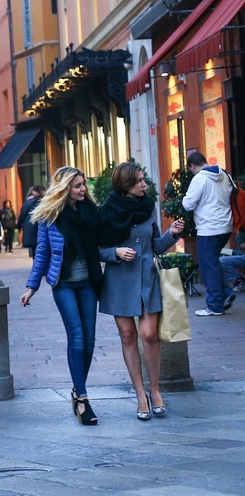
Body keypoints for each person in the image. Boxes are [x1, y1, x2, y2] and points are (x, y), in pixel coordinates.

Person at [98, 162, 185, 421]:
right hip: (119, 280)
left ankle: (155, 391)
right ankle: (140, 395)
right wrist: (114, 252)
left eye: (143, 179)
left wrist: (172, 234)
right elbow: (96, 249)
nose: (144, 184)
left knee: (148, 335)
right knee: (127, 336)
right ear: (125, 185)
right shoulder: (106, 213)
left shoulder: (148, 208)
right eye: (139, 181)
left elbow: (156, 246)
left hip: (147, 279)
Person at [19, 166, 101, 426]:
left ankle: (78, 390)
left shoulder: (90, 212)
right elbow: (42, 252)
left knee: (89, 340)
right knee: (76, 336)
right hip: (63, 284)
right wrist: (32, 286)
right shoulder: (49, 216)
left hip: (88, 282)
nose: (83, 189)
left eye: (83, 184)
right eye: (77, 185)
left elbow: (103, 241)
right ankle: (83, 399)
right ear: (65, 188)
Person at [182, 152, 234, 316]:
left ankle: (214, 305)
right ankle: (226, 292)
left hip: (208, 229)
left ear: (192, 166)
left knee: (207, 266)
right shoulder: (224, 174)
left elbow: (188, 204)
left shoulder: (199, 178)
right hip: (226, 227)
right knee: (213, 262)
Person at [18, 185, 46, 257]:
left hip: (32, 229)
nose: (32, 192)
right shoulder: (46, 202)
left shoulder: (29, 202)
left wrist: (18, 226)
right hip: (40, 230)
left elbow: (22, 215)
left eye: (34, 191)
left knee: (35, 250)